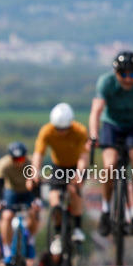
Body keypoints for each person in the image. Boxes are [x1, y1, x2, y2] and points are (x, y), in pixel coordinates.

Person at [88, 51, 133, 237]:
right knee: (109, 165)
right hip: (112, 125)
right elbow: (96, 111)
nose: (127, 79)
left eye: (132, 74)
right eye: (123, 74)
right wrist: (94, 135)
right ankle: (106, 208)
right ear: (115, 73)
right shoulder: (106, 82)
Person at [32, 102, 90, 245]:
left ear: (70, 124)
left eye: (64, 129)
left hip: (76, 165)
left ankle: (77, 228)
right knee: (54, 199)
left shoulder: (80, 131)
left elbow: (84, 156)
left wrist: (79, 173)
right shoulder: (46, 131)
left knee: (73, 191)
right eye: (58, 129)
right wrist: (34, 173)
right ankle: (58, 234)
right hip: (58, 166)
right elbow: (38, 154)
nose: (61, 132)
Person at [0, 142, 41, 266]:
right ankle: (8, 251)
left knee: (33, 212)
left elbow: (37, 182)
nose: (18, 162)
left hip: (27, 192)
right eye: (15, 159)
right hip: (12, 192)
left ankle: (30, 239)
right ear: (10, 157)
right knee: (7, 216)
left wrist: (37, 199)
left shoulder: (31, 163)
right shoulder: (3, 164)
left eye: (21, 158)